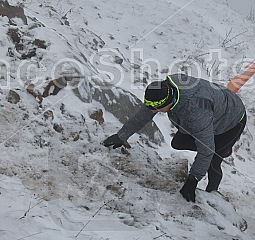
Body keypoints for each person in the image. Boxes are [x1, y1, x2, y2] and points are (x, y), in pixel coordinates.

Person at [103, 74, 246, 203]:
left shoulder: (196, 110)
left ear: (170, 102)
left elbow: (206, 149)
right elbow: (143, 116)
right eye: (151, 106)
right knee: (178, 142)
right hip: (210, 114)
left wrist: (193, 180)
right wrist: (121, 136)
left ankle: (212, 196)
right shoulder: (162, 92)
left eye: (157, 108)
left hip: (231, 121)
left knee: (213, 158)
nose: (153, 111)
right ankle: (221, 147)